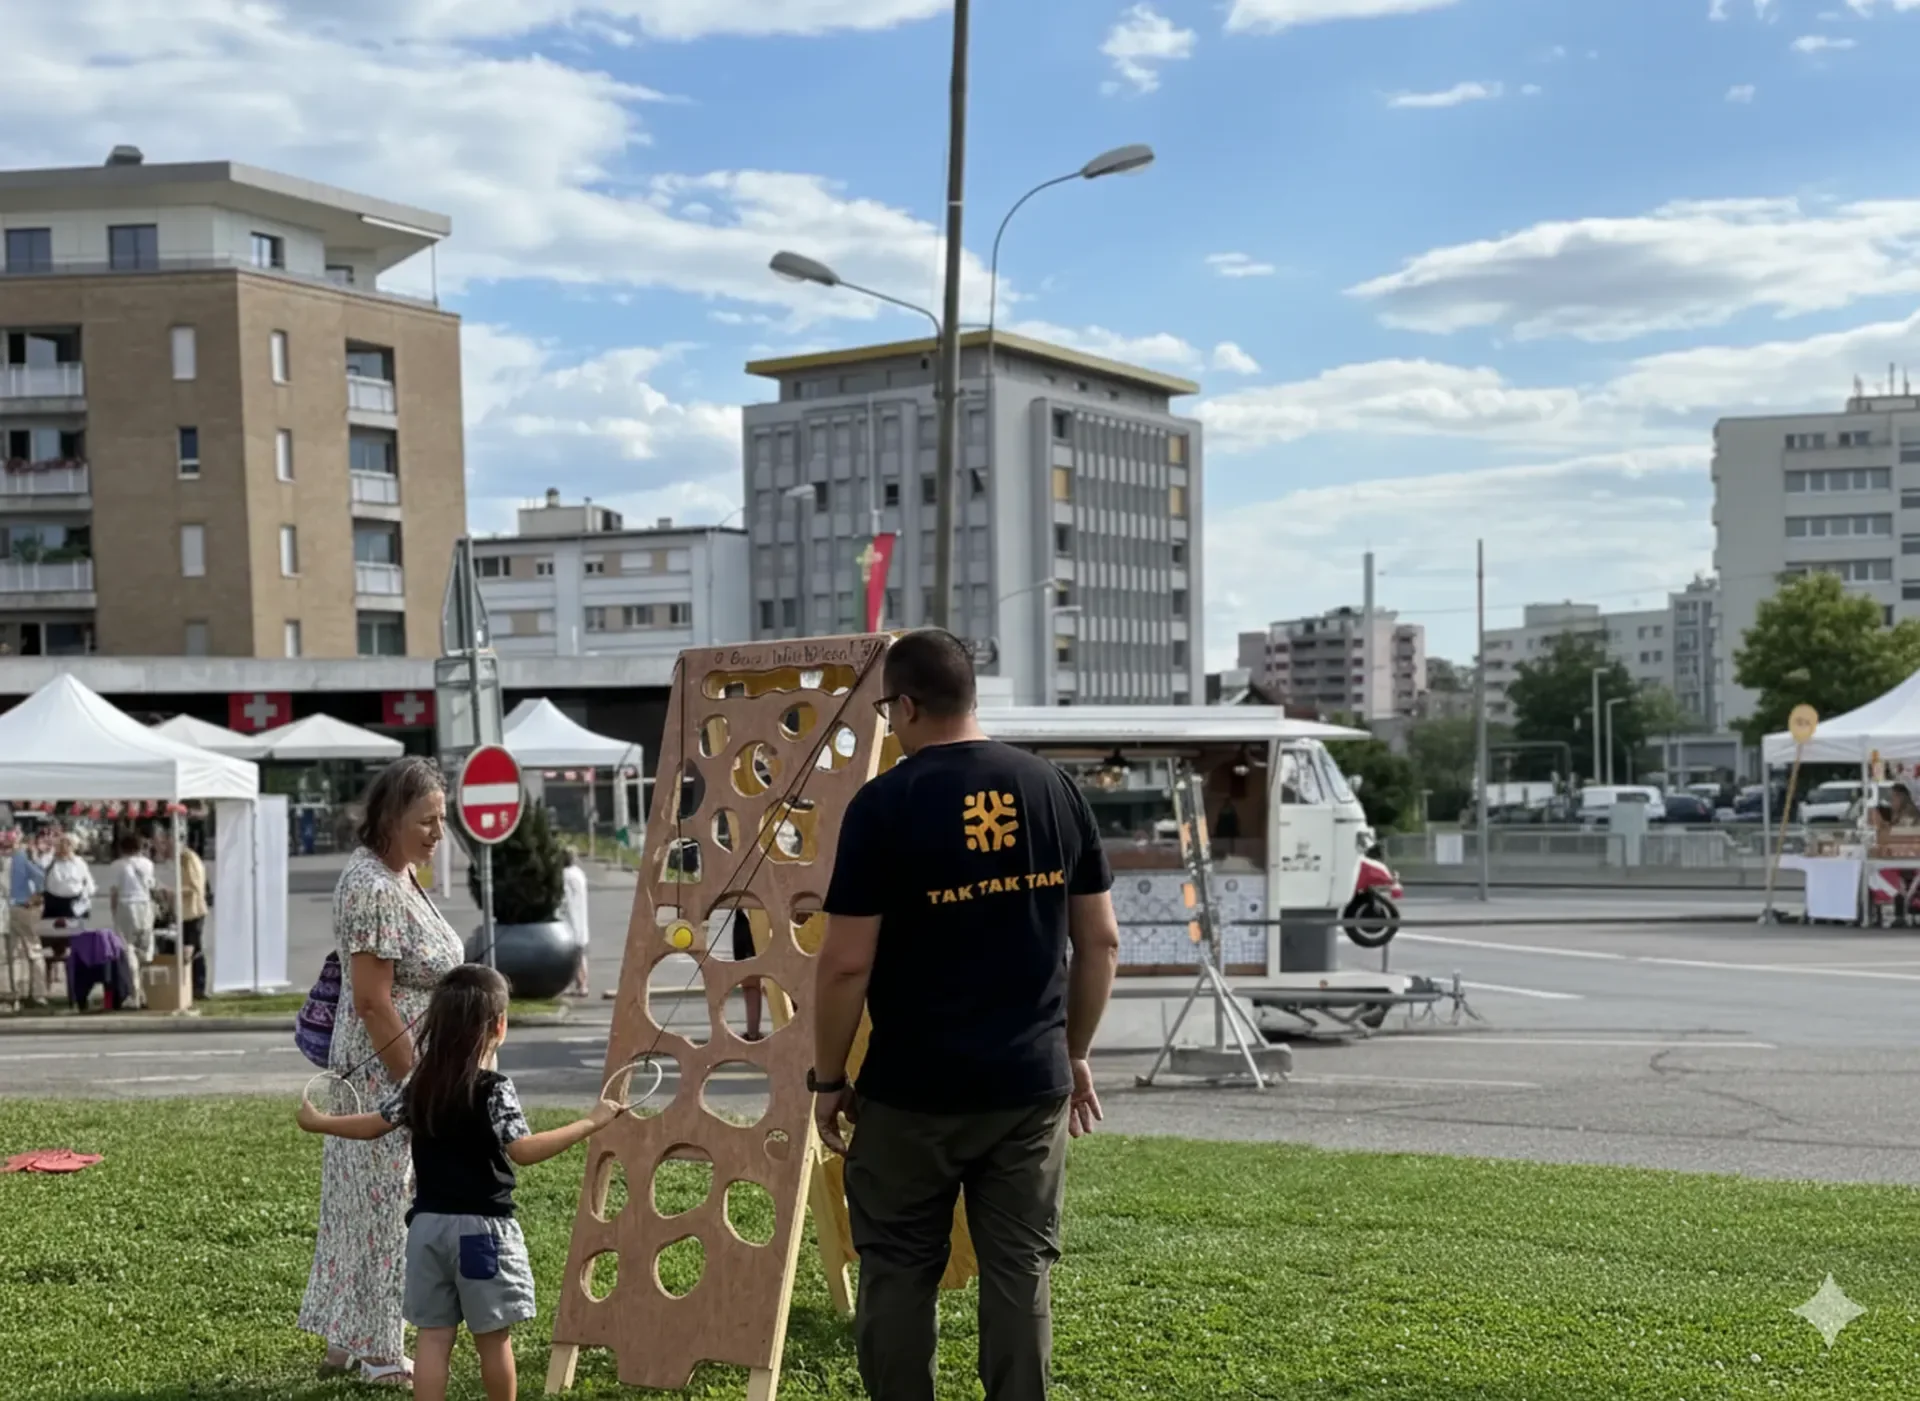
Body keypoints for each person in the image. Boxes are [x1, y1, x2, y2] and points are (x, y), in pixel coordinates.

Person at [811, 628, 1120, 1401]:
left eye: (889, 710)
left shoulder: (884, 805)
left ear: (906, 706)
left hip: (910, 1089)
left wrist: (826, 1076)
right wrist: (1072, 1050)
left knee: (897, 1269)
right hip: (1029, 1085)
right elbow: (1102, 941)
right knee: (1019, 1268)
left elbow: (846, 961)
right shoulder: (1054, 789)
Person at [297, 963, 623, 1401]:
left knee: (433, 1338)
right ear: (499, 1026)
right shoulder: (494, 1088)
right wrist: (592, 1122)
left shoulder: (419, 1083)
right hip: (482, 1234)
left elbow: (375, 1125)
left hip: (427, 1230)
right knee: (492, 1339)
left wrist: (320, 1122)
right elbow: (523, 1150)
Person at [298, 758, 466, 1388]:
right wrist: (422, 1086)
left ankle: (347, 1335)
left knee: (357, 1205)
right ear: (391, 818)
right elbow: (372, 999)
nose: (437, 834)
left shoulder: (395, 875)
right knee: (384, 1208)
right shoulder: (373, 886)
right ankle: (379, 1352)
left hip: (388, 1068)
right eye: (426, 821)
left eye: (442, 820)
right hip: (384, 1072)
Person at [155, 829, 208, 999]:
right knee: (187, 948)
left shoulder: (187, 859)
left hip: (192, 910)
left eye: (165, 845)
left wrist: (172, 891)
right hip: (182, 911)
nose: (162, 850)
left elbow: (194, 887)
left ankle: (197, 987)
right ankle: (191, 987)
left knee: (191, 949)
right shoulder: (178, 860)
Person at [106, 831, 155, 1008]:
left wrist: (114, 912)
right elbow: (151, 886)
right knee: (144, 949)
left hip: (126, 905)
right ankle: (146, 992)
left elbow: (114, 892)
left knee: (128, 949)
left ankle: (134, 993)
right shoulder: (148, 864)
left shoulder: (117, 866)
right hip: (145, 905)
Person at [2, 832, 47, 1007]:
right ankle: (15, 994)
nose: (4, 849)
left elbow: (41, 877)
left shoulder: (20, 858)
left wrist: (35, 898)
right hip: (7, 910)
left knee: (32, 950)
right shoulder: (12, 859)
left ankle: (37, 993)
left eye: (7, 845)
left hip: (20, 908)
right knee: (10, 955)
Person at [42, 833, 95, 921]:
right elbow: (41, 864)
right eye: (62, 843)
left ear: (74, 847)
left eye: (68, 844)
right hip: (53, 903)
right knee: (52, 932)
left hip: (74, 904)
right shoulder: (51, 860)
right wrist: (52, 852)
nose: (65, 846)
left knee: (75, 932)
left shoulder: (79, 862)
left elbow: (88, 883)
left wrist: (86, 898)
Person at [561, 848, 591, 998]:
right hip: (580, 919)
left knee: (575, 956)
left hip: (570, 920)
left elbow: (564, 899)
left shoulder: (565, 875)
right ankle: (581, 984)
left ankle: (581, 984)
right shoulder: (578, 873)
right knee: (580, 954)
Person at [731, 907, 765, 1039]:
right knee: (748, 981)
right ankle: (752, 1032)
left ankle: (753, 1032)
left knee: (750, 980)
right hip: (741, 920)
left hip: (752, 920)